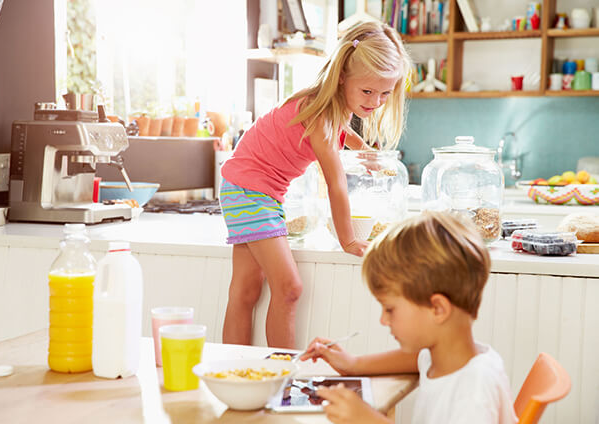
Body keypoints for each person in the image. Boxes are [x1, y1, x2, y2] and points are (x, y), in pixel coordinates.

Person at [219, 22, 412, 348]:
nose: (376, 101)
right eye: (367, 91)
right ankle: (285, 373)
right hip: (250, 191)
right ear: (341, 77)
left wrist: (363, 150)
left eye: (385, 93)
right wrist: (349, 240)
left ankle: (236, 367)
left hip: (247, 187)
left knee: (246, 289)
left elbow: (344, 133)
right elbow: (337, 184)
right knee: (290, 288)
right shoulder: (321, 117)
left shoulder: (331, 108)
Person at [301, 211, 517, 424]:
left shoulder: (473, 391)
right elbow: (415, 358)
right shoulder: (445, 356)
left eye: (390, 309)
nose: (383, 320)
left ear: (438, 309)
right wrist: (353, 364)